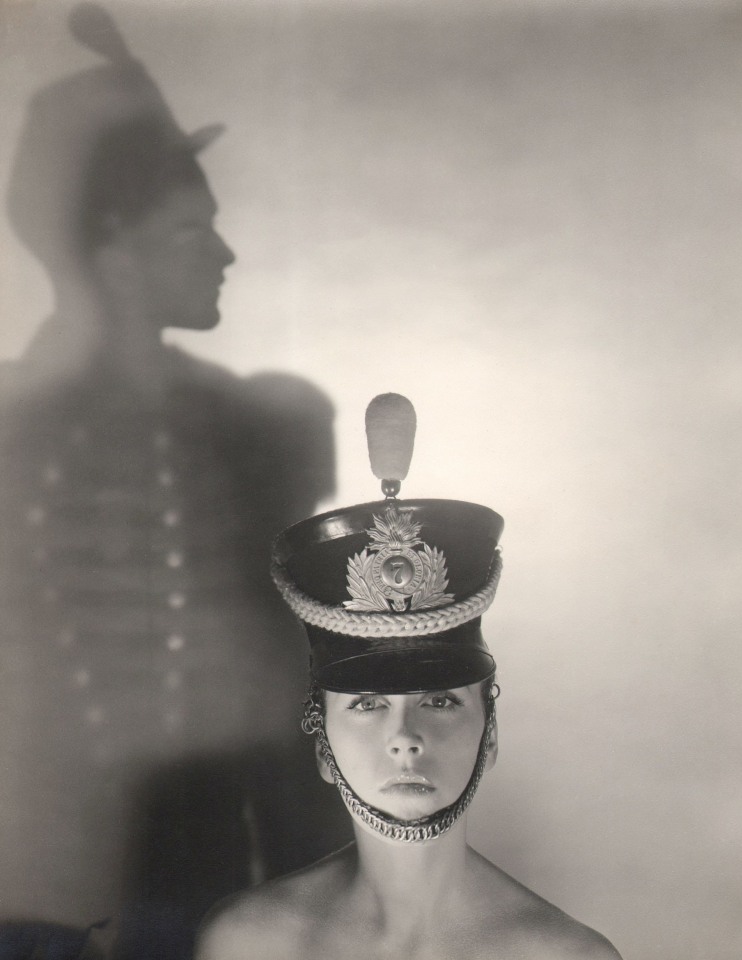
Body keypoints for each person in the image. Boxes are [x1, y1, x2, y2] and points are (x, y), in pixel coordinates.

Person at [0, 4, 347, 958]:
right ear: (113, 244)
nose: (225, 254)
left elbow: (292, 678)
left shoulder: (260, 424)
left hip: (210, 889)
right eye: (194, 228)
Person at [196, 394, 622, 960]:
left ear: (490, 736)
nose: (405, 738)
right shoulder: (249, 944)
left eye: (441, 701)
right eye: (367, 704)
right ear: (323, 747)